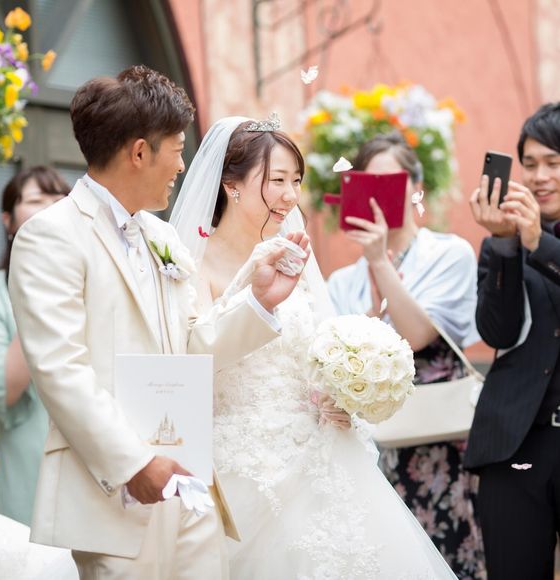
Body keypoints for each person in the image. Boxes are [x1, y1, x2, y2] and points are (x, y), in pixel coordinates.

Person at [8, 66, 308, 580]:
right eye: (177, 148)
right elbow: (61, 370)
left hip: (191, 487)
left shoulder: (160, 236)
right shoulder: (51, 236)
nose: (183, 165)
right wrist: (135, 463)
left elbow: (191, 345)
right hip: (115, 494)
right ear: (140, 152)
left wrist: (259, 302)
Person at [170, 115, 458, 579]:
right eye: (277, 180)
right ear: (231, 185)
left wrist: (338, 394)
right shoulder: (193, 262)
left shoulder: (293, 254)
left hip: (321, 453)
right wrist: (256, 299)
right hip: (245, 461)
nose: (290, 195)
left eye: (296, 181)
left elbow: (318, 347)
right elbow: (192, 355)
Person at [328, 133, 485, 579]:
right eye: (368, 184)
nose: (379, 197)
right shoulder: (341, 280)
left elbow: (415, 335)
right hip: (373, 447)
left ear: (416, 187)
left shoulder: (448, 254)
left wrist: (380, 262)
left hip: (440, 441)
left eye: (392, 183)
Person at [465, 102, 560, 580]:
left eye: (553, 163)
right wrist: (505, 244)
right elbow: (496, 332)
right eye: (530, 163)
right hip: (517, 442)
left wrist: (539, 243)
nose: (539, 177)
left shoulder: (536, 240)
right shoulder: (503, 240)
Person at [0, 166, 69, 525]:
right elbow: (3, 388)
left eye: (59, 199)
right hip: (30, 463)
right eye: (36, 200)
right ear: (8, 219)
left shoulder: (94, 280)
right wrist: (42, 285)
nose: (51, 207)